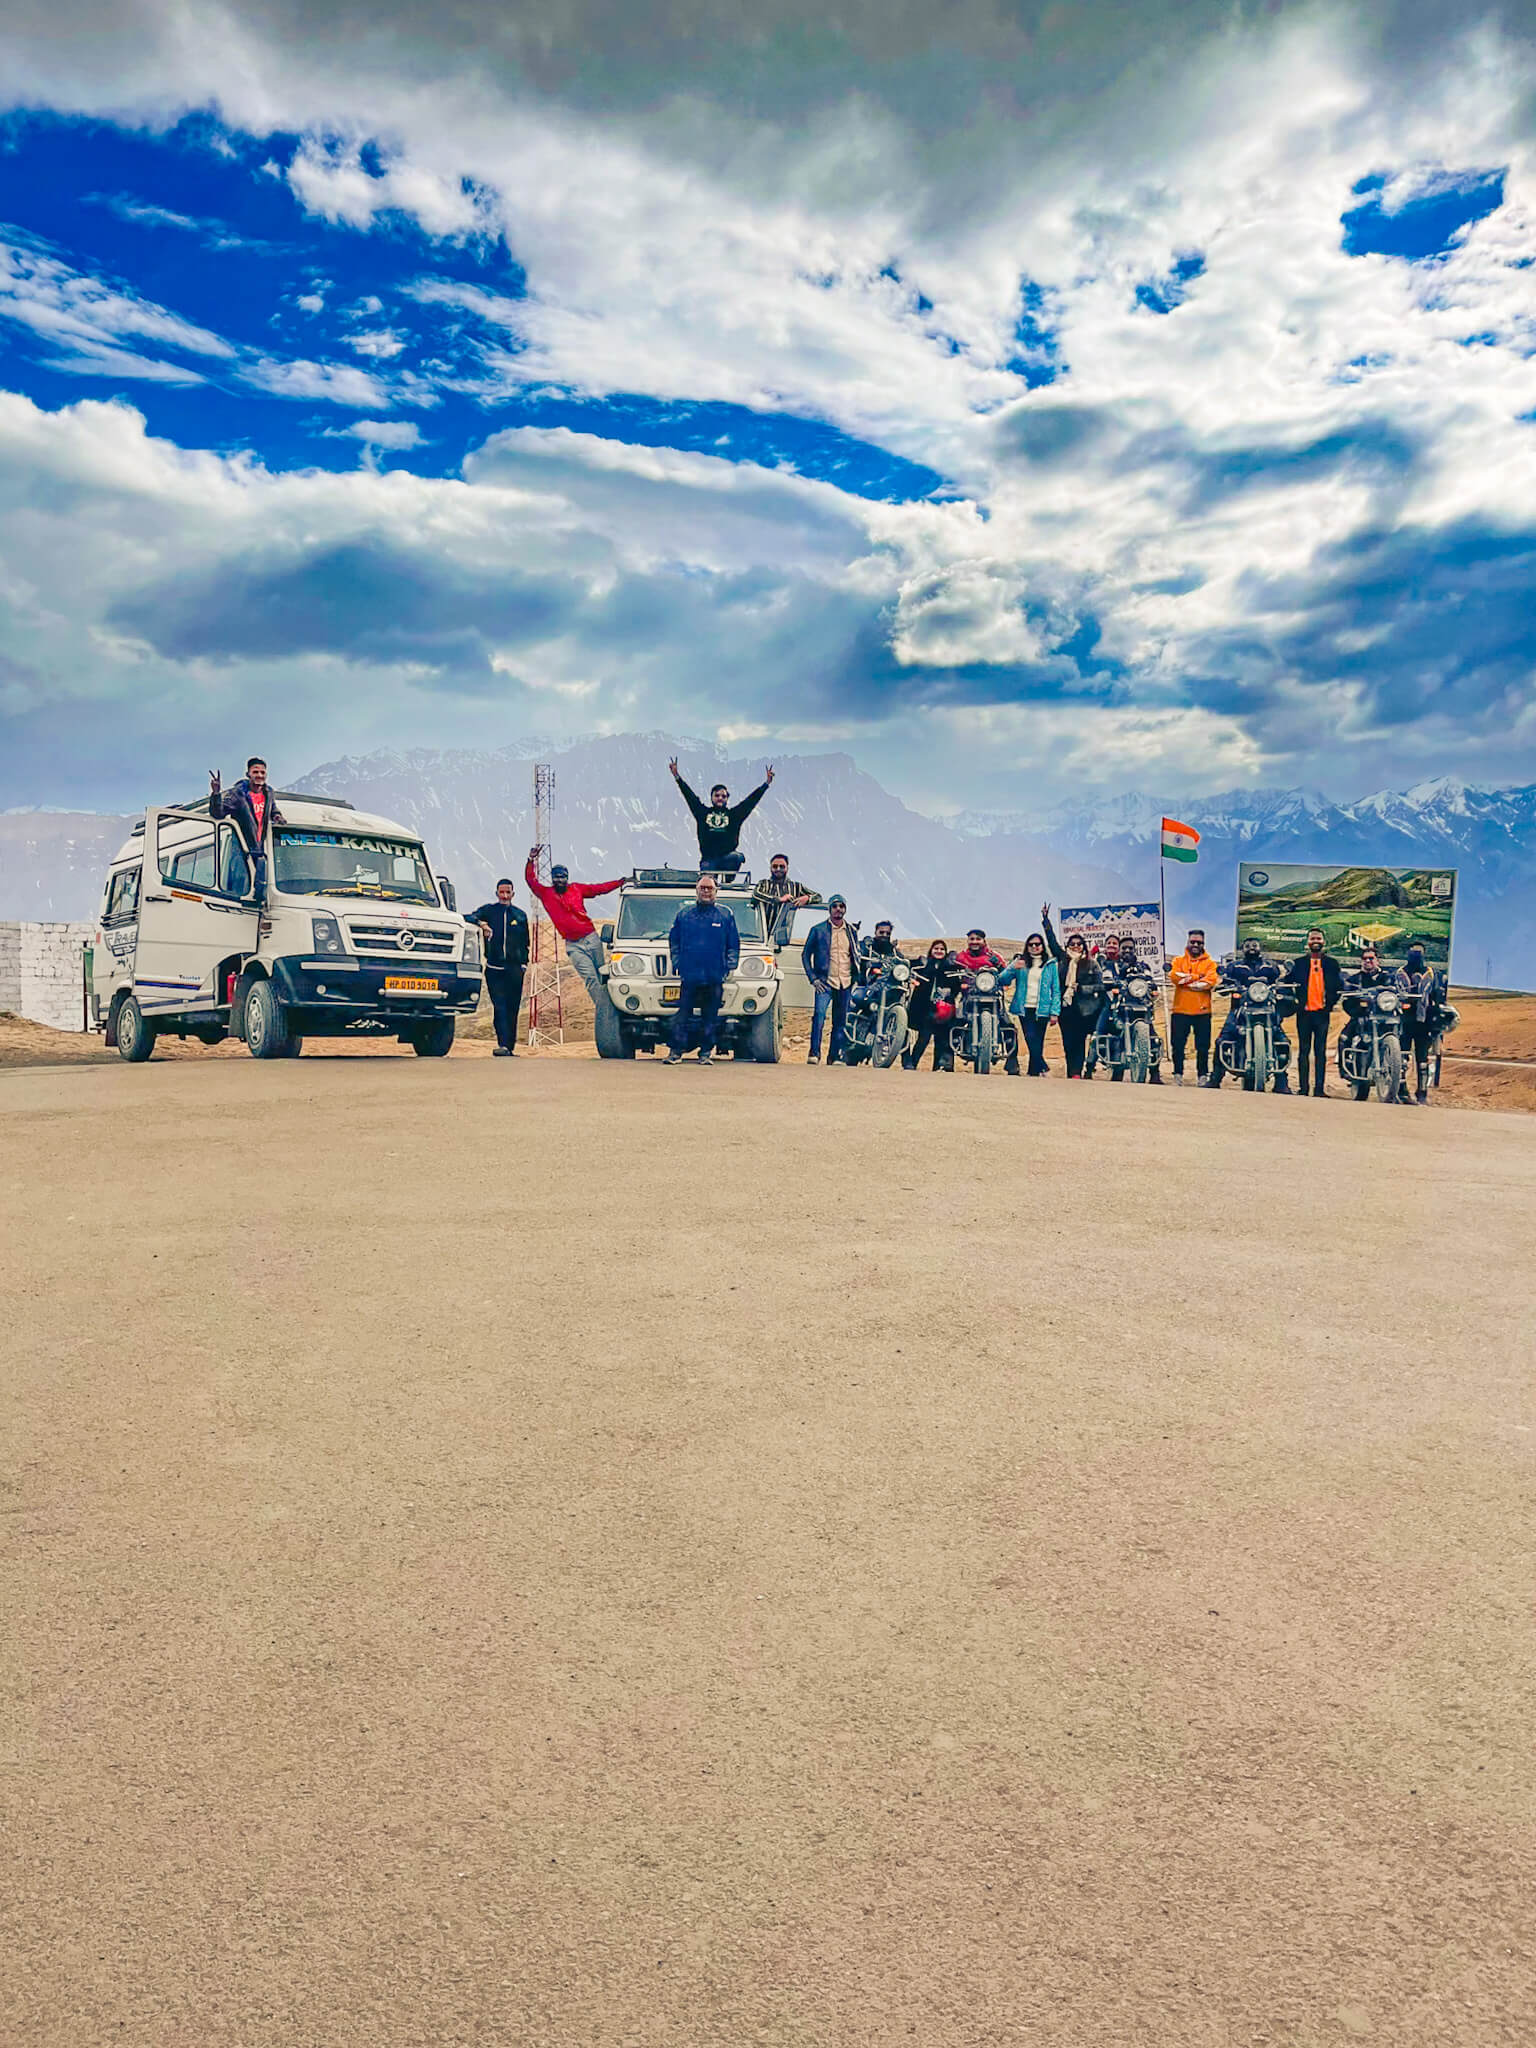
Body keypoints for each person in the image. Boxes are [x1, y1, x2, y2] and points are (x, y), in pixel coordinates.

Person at [522, 847, 624, 1008]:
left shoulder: (577, 888)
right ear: (552, 879)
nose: (560, 880)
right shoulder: (546, 893)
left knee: (602, 974)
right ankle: (604, 1008)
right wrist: (531, 860)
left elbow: (599, 889)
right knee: (590, 978)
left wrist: (620, 883)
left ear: (567, 878)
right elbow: (530, 880)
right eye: (556, 877)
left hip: (591, 938)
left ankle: (615, 1004)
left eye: (563, 877)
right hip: (573, 945)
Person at [664, 873, 740, 1064]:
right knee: (682, 1015)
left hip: (715, 976)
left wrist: (730, 965)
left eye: (709, 888)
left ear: (716, 892)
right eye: (702, 888)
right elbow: (674, 940)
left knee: (710, 1017)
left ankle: (705, 1053)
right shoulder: (684, 915)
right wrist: (677, 961)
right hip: (690, 976)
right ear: (696, 891)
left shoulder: (725, 915)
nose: (706, 891)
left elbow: (734, 943)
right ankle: (675, 1052)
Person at [1204, 938, 1291, 1092]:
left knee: (1282, 1040)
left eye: (1255, 945)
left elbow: (1279, 982)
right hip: (1239, 1009)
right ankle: (1215, 1078)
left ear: (1260, 947)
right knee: (1222, 1040)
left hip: (1267, 1009)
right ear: (1242, 948)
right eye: (1248, 945)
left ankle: (1282, 1082)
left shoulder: (1270, 966)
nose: (1252, 948)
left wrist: (1283, 989)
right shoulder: (1234, 966)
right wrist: (1227, 986)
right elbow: (1224, 983)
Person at [668, 758, 774, 875]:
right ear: (712, 797)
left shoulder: (734, 815)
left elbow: (750, 802)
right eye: (717, 795)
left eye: (723, 796)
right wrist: (677, 776)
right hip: (708, 859)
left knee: (737, 857)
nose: (720, 798)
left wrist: (766, 784)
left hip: (727, 857)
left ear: (727, 799)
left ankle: (728, 878)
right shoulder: (702, 813)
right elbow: (690, 796)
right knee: (707, 882)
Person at [466, 879, 531, 1056]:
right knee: (499, 1006)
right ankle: (502, 1044)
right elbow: (468, 917)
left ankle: (509, 1047)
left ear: (513, 894)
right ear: (497, 893)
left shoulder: (520, 915)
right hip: (494, 968)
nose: (504, 896)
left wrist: (523, 964)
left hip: (514, 970)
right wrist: (482, 924)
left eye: (507, 892)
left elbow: (526, 943)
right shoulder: (489, 911)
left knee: (513, 1007)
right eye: (501, 892)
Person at [1093, 934, 1165, 1084]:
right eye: (1124, 948)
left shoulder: (1143, 966)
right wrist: (1111, 983)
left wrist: (1152, 987)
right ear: (1119, 949)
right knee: (1099, 1033)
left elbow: (1150, 980)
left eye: (1130, 948)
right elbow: (1106, 979)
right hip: (1118, 1006)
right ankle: (1089, 1067)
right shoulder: (1111, 965)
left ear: (1135, 950)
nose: (1127, 951)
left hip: (1140, 1006)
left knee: (1152, 1036)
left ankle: (1155, 1073)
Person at [209, 757, 284, 899]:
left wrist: (277, 816)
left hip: (261, 852)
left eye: (262, 772)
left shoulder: (268, 793)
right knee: (241, 892)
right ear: (248, 774)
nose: (259, 775)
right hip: (242, 851)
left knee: (261, 894)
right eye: (255, 772)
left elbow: (272, 809)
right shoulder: (238, 794)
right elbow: (218, 814)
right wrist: (216, 793)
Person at [1281, 928, 1343, 1097]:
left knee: (1320, 1051)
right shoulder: (1298, 964)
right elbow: (1287, 985)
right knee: (1303, 1051)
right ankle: (1303, 1088)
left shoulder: (1332, 964)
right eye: (1312, 938)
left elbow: (1338, 987)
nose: (1315, 941)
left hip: (1323, 1014)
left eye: (1318, 938)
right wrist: (1294, 1003)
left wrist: (1329, 1005)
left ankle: (1319, 1089)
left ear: (1324, 942)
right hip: (1304, 1014)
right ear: (1307, 942)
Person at [802, 894, 861, 1064]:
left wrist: (856, 977)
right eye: (835, 906)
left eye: (841, 906)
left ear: (845, 909)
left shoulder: (851, 931)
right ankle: (814, 1054)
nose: (838, 910)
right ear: (829, 909)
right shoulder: (818, 930)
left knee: (840, 1021)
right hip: (825, 982)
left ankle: (834, 1056)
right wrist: (813, 978)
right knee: (819, 1017)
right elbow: (805, 955)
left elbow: (855, 955)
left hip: (845, 981)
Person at [1043, 911, 1101, 1079]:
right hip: (1065, 1008)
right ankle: (1071, 1071)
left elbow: (1100, 986)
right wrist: (1046, 920)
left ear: (1083, 945)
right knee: (1068, 1041)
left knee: (1080, 1041)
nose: (1075, 946)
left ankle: (1077, 1072)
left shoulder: (1091, 963)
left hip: (1084, 1009)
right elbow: (1051, 941)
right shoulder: (1063, 959)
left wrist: (1082, 989)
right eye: (1072, 943)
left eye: (1079, 943)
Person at [999, 932, 1060, 1075]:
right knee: (1030, 1037)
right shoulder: (1021, 963)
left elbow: (1056, 989)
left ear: (1042, 946)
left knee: (1038, 1041)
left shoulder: (1050, 964)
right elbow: (1002, 980)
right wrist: (1013, 967)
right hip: (1024, 1007)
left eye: (1037, 944)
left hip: (1043, 1008)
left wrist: (1055, 1012)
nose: (1034, 947)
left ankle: (1033, 1073)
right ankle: (1043, 1067)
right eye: (1031, 944)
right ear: (1027, 946)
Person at [1167, 927, 1219, 1084]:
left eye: (1199, 942)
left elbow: (1209, 982)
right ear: (1187, 942)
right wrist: (1198, 977)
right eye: (1193, 941)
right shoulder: (1177, 961)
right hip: (1180, 1010)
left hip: (1202, 1011)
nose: (1196, 944)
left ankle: (1202, 1075)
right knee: (1178, 1045)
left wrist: (1190, 980)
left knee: (1203, 1047)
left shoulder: (1210, 964)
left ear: (1203, 944)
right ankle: (1177, 1074)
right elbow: (1175, 978)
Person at [903, 940, 961, 1071]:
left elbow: (956, 986)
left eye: (942, 949)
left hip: (944, 1009)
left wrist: (949, 993)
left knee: (941, 1039)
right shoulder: (923, 964)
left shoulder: (951, 967)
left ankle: (937, 1068)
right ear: (931, 950)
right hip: (925, 1008)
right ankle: (912, 1063)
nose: (939, 951)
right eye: (936, 948)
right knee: (923, 1038)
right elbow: (908, 966)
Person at [1395, 942, 1438, 1106]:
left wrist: (1436, 1024)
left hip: (1424, 1022)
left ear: (1424, 954)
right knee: (1402, 1057)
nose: (1416, 955)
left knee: (1423, 1059)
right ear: (1407, 952)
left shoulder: (1432, 974)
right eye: (1413, 951)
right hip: (1403, 1020)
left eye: (1419, 952)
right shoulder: (1399, 973)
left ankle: (1422, 1093)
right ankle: (1401, 1090)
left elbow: (1437, 997)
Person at [752, 856, 821, 943]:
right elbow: (756, 894)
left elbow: (818, 896)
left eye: (782, 866)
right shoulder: (764, 884)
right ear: (770, 868)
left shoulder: (796, 887)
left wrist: (807, 898)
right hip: (762, 937)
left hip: (785, 940)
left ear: (787, 868)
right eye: (775, 866)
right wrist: (778, 899)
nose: (778, 869)